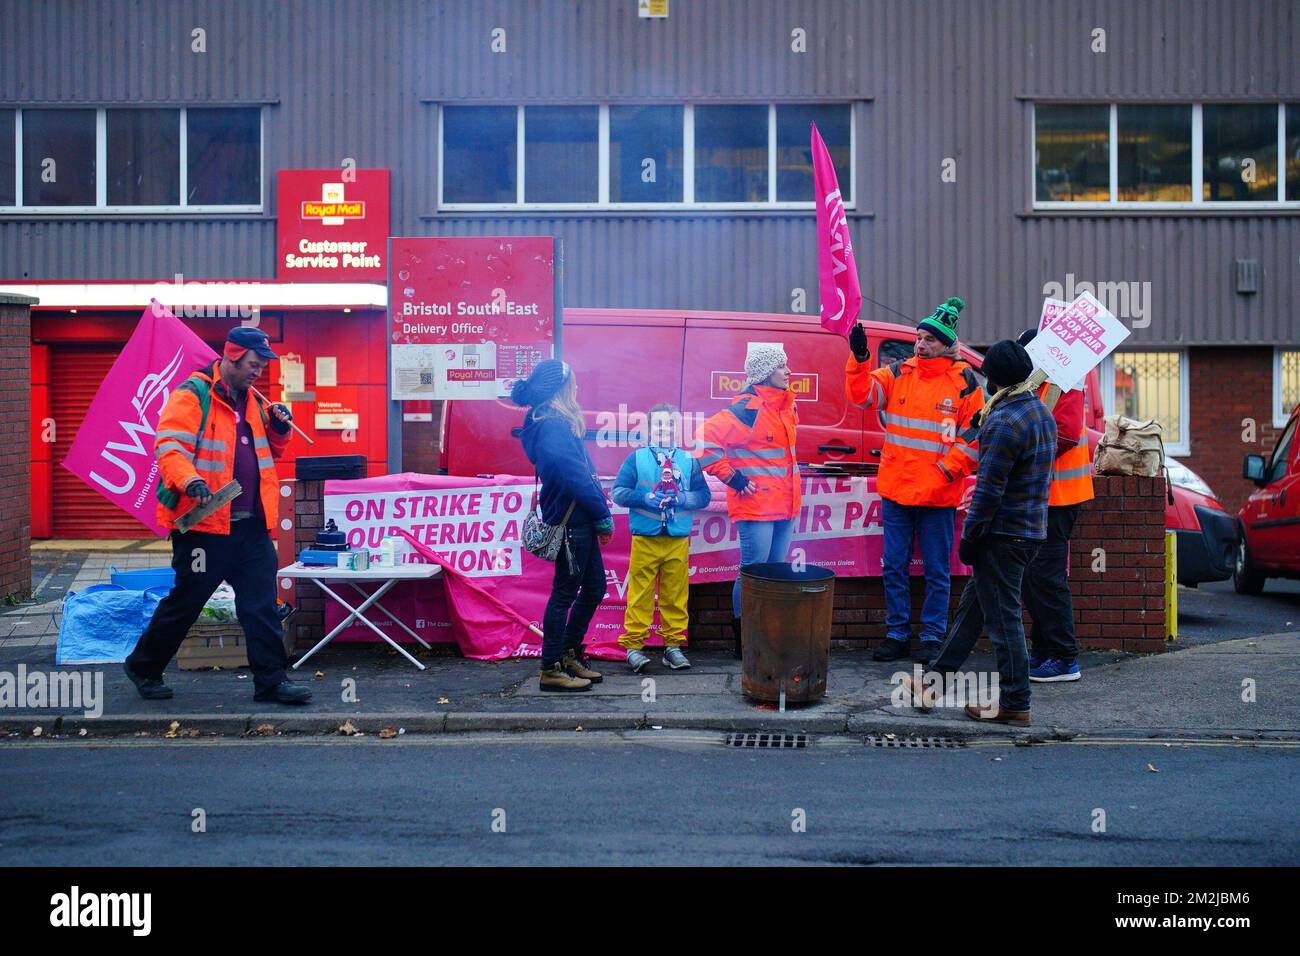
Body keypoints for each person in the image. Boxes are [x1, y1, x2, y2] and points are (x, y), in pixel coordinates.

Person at [124, 327, 310, 705]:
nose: (258, 372)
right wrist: (189, 480)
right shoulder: (192, 394)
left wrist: (279, 428)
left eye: (262, 366)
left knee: (260, 605)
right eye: (253, 365)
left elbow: (270, 453)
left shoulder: (255, 401)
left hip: (251, 527)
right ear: (232, 356)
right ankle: (144, 666)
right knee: (187, 602)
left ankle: (271, 682)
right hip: (205, 527)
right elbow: (169, 445)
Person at [904, 340, 1057, 724]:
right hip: (1030, 530)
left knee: (1004, 621)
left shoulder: (1004, 422)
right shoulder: (1037, 410)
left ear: (995, 379)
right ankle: (933, 684)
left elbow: (988, 490)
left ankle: (1016, 703)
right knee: (972, 611)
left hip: (1002, 536)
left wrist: (971, 538)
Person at [845, 297, 984, 666]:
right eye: (919, 338)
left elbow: (974, 438)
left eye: (929, 340)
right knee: (894, 566)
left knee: (938, 572)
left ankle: (933, 637)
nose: (920, 344)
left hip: (938, 496)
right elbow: (861, 395)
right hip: (897, 491)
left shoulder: (965, 382)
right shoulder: (897, 373)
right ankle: (897, 635)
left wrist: (944, 471)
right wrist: (859, 360)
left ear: (947, 345)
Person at [513, 359, 614, 692]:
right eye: (572, 382)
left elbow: (579, 474)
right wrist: (602, 514)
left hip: (577, 519)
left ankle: (569, 652)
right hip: (574, 522)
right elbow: (576, 478)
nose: (577, 387)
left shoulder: (553, 422)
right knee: (564, 595)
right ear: (560, 388)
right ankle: (551, 666)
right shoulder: (554, 425)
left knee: (595, 588)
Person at [694, 344, 801, 658]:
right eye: (782, 367)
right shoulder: (747, 408)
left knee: (775, 573)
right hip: (757, 508)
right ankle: (745, 641)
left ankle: (766, 635)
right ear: (766, 373)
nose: (789, 371)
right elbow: (703, 443)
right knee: (754, 573)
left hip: (785, 506)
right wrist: (734, 479)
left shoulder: (787, 405)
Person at [1017, 328, 1094, 683]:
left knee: (1046, 578)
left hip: (1058, 497)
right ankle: (1047, 652)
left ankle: (1064, 658)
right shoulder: (1047, 382)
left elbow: (1064, 434)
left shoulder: (1064, 382)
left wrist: (1024, 457)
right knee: (1037, 578)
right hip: (1048, 496)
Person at [612, 403, 711, 672]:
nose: (664, 429)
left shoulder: (689, 461)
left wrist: (683, 498)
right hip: (645, 538)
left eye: (669, 424)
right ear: (649, 429)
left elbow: (704, 496)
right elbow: (618, 492)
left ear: (675, 429)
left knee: (675, 595)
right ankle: (633, 647)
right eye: (658, 424)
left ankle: (673, 647)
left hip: (677, 540)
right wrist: (644, 497)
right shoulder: (636, 458)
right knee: (640, 595)